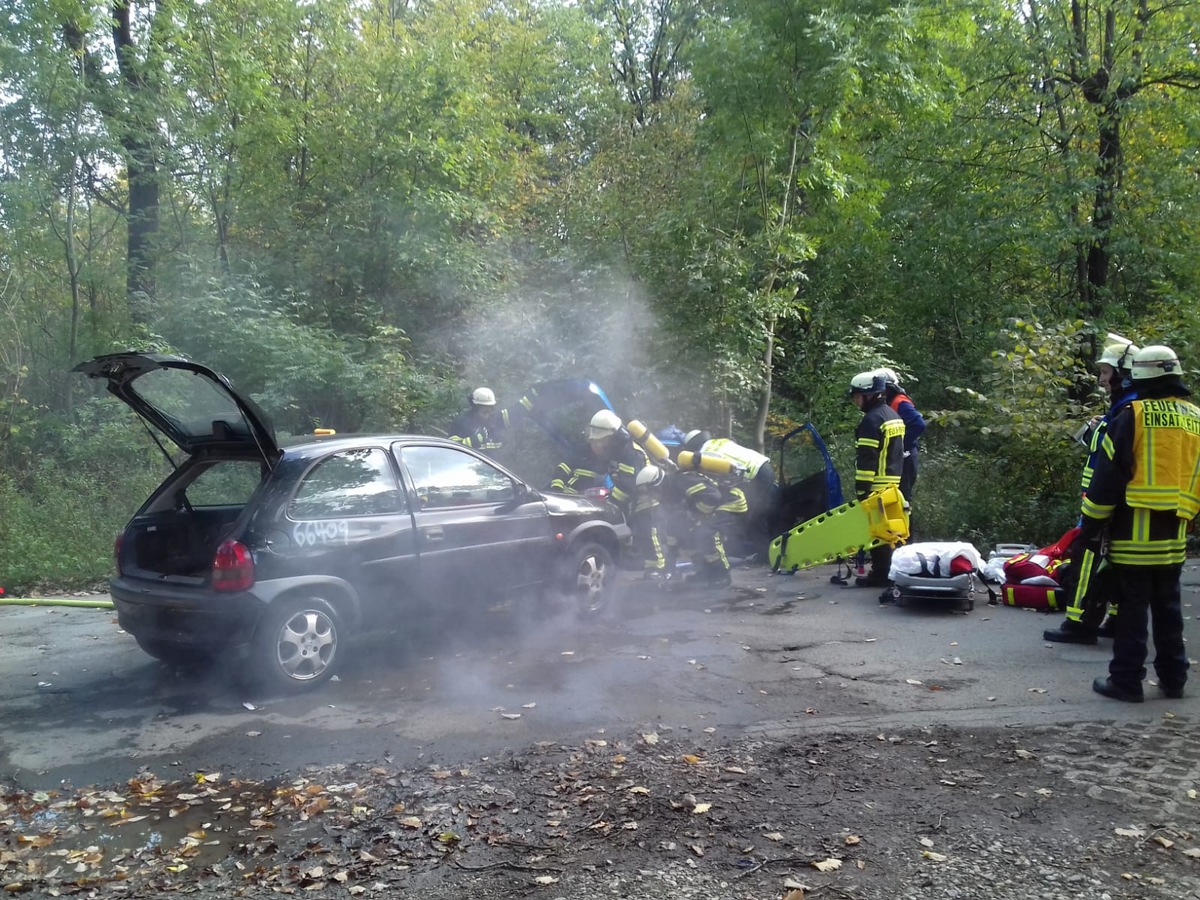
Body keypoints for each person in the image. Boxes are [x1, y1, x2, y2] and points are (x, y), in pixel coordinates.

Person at [1080, 344, 1197, 702]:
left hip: (1133, 532)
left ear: (1139, 377)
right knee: (1168, 607)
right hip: (1175, 533)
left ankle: (1126, 681)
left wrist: (1091, 523)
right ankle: (1174, 678)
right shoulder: (1195, 416)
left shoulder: (1133, 414)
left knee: (1132, 609)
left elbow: (1108, 475)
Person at [1045, 338, 1138, 644]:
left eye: (1106, 372)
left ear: (1124, 373)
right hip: (1120, 504)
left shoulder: (1127, 412)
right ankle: (1116, 619)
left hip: (1103, 504)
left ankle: (1079, 625)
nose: (1101, 379)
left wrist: (1096, 510)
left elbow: (1111, 465)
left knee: (1088, 558)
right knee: (1117, 561)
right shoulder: (1122, 410)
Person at [587, 410, 667, 581]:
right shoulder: (613, 451)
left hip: (647, 498)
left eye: (599, 441)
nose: (596, 445)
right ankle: (640, 563)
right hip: (632, 500)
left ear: (609, 438)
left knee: (649, 532)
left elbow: (628, 485)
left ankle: (658, 568)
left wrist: (610, 504)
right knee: (634, 533)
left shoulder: (630, 453)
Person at [848, 370, 906, 588]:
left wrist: (862, 491)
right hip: (894, 484)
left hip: (876, 485)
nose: (855, 401)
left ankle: (881, 574)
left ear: (869, 395)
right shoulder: (893, 416)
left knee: (878, 535)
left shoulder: (871, 421)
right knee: (891, 534)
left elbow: (866, 461)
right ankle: (892, 572)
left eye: (856, 396)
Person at [682, 429, 777, 556]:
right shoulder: (719, 442)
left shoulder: (701, 455)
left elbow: (713, 481)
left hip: (753, 476)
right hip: (764, 467)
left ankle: (762, 554)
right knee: (762, 511)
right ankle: (767, 549)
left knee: (750, 515)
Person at [875, 368, 926, 521]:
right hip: (901, 456)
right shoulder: (892, 403)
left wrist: (901, 445)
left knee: (904, 497)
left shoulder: (900, 402)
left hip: (906, 456)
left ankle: (907, 535)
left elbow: (918, 424)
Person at [447, 387, 514, 457]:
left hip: (494, 467)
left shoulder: (497, 419)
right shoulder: (462, 422)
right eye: (484, 412)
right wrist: (472, 441)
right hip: (471, 466)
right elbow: (451, 448)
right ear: (475, 411)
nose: (488, 416)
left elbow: (519, 411)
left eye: (490, 412)